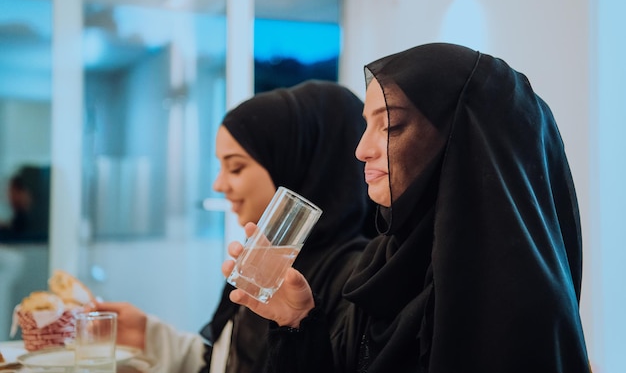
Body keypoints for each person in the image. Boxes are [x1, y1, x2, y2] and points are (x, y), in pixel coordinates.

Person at [222, 43, 592, 373]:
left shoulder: (519, 305)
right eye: (367, 126)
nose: (361, 150)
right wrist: (297, 324)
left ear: (459, 142)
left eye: (390, 126)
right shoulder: (380, 268)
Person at [95, 80, 375, 373]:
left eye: (236, 167)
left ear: (293, 166)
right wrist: (148, 336)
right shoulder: (265, 261)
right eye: (220, 166)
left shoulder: (354, 276)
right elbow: (227, 360)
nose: (219, 184)